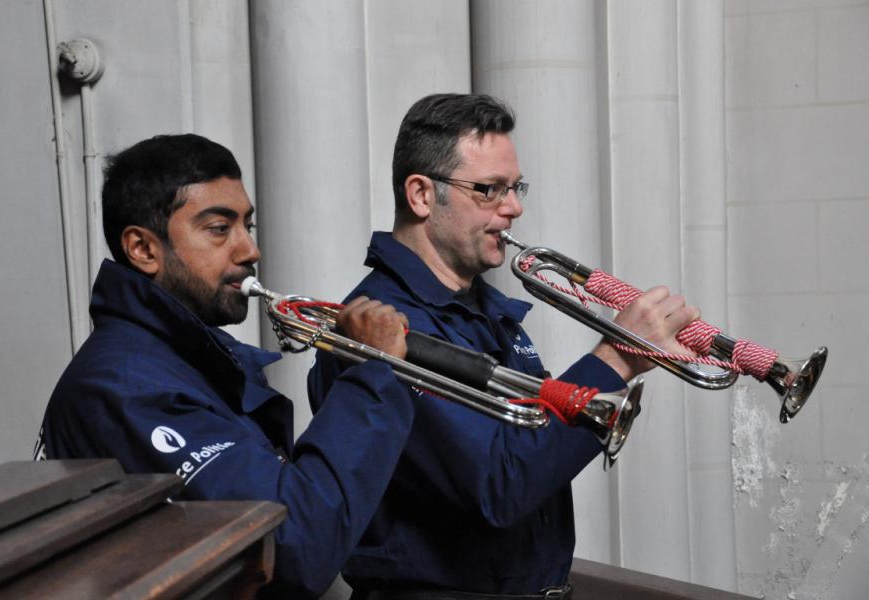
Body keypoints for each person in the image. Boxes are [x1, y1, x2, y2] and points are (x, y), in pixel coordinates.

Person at [308, 94, 700, 599]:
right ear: (422, 195)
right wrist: (616, 357)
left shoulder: (486, 312)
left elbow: (533, 442)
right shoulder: (382, 328)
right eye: (489, 190)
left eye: (515, 188)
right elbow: (502, 484)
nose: (514, 209)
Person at [37, 133, 416, 599]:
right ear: (143, 249)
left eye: (247, 226)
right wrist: (372, 376)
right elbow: (295, 547)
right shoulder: (123, 387)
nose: (248, 250)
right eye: (219, 228)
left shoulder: (184, 361)